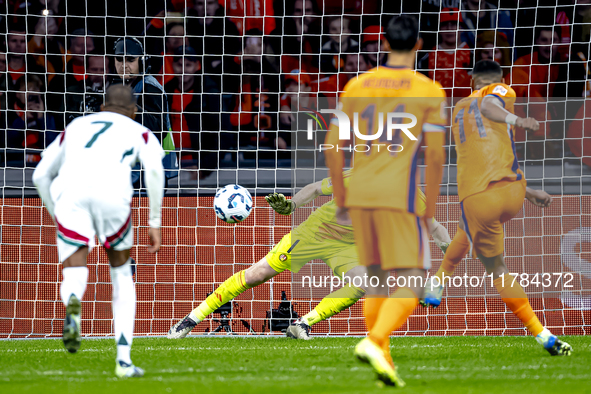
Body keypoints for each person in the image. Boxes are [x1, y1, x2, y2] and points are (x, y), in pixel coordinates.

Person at [167, 173, 451, 340]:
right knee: (256, 275)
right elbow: (316, 188)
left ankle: (301, 324)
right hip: (315, 233)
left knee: (364, 283)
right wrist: (291, 206)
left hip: (348, 247)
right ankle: (191, 319)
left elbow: (435, 228)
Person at [324, 15, 447, 387]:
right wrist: (431, 210)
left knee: (376, 280)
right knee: (415, 280)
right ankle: (374, 341)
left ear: (384, 43)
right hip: (400, 198)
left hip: (360, 196)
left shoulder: (357, 85)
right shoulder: (428, 91)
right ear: (419, 45)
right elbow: (437, 157)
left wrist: (342, 197)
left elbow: (332, 145)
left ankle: (385, 364)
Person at [422, 60, 573, 357]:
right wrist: (528, 192)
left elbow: (488, 106)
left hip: (478, 198)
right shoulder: (503, 90)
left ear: (473, 80)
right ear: (500, 77)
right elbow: (492, 111)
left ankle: (542, 335)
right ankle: (438, 282)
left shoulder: (460, 107)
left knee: (497, 267)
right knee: (468, 231)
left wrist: (516, 121)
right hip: (511, 190)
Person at [32, 85, 164, 377]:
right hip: (112, 195)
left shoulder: (76, 126)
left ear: (102, 106)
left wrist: (58, 215)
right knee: (121, 276)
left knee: (74, 271)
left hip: (70, 195)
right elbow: (155, 171)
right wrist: (154, 221)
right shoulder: (140, 131)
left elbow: (40, 174)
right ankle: (123, 361)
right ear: (134, 110)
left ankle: (73, 306)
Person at [112, 37, 177, 183]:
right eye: (119, 59)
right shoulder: (123, 86)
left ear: (141, 62)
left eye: (130, 60)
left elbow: (156, 129)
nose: (124, 65)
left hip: (149, 173)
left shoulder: (150, 88)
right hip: (132, 170)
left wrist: (125, 106)